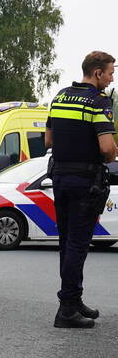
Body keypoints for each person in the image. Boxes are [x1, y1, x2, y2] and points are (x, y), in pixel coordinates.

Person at [45, 50, 117, 328]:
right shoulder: (98, 102)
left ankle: (73, 301)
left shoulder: (60, 97)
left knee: (67, 243)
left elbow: (49, 140)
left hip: (60, 178)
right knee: (79, 244)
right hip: (85, 183)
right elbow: (107, 149)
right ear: (97, 73)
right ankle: (66, 310)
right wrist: (111, 153)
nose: (111, 79)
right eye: (110, 73)